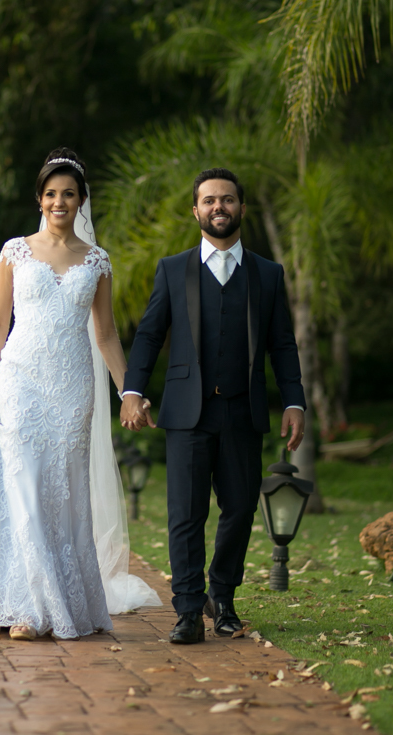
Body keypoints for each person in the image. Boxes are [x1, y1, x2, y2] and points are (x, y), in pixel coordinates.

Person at [0, 148, 160, 641]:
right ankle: (22, 606)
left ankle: (50, 602)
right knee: (21, 489)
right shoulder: (15, 251)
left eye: (68, 193)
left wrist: (129, 391)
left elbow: (106, 334)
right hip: (21, 382)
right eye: (50, 194)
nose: (59, 201)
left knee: (60, 493)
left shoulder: (98, 261)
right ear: (39, 200)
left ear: (82, 200)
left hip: (72, 389)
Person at [119, 167, 306, 645]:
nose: (218, 207)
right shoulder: (172, 269)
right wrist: (133, 391)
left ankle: (222, 598)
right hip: (186, 412)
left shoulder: (267, 273)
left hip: (242, 412)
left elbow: (282, 344)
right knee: (185, 513)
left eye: (226, 200)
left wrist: (294, 402)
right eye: (209, 201)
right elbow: (148, 335)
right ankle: (186, 609)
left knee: (240, 508)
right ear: (195, 210)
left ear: (241, 208)